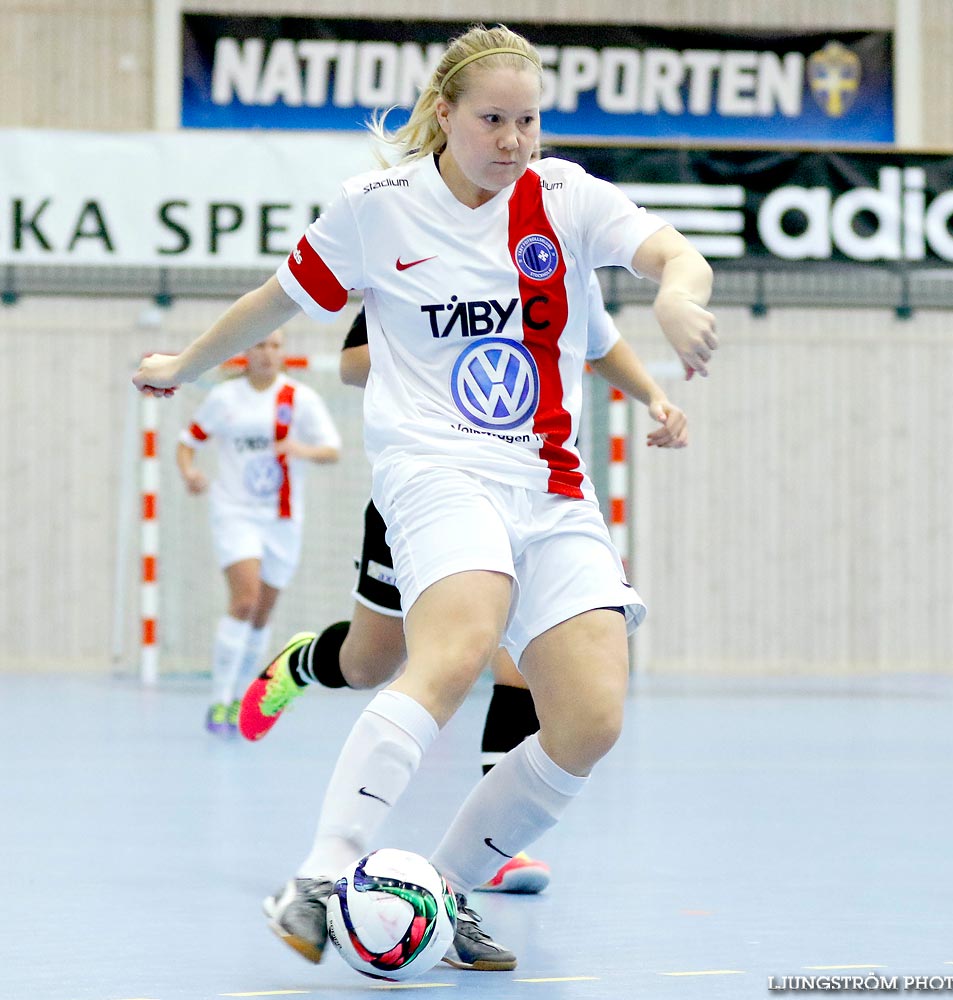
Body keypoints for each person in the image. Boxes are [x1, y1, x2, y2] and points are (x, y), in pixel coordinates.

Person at [134, 23, 716, 972]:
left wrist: (681, 295)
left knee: (591, 720)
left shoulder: (563, 197)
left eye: (528, 121)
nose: (513, 140)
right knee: (440, 651)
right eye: (493, 120)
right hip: (436, 470)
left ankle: (440, 896)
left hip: (551, 485)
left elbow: (669, 253)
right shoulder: (377, 209)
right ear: (444, 114)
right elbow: (279, 297)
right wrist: (187, 366)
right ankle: (321, 876)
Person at [237, 278, 690, 899]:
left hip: (531, 493)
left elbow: (597, 337)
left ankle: (487, 859)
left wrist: (655, 396)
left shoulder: (554, 241)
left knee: (521, 668)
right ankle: (306, 662)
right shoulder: (421, 254)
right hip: (431, 489)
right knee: (370, 664)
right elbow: (350, 364)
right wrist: (446, 348)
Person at [175, 329, 341, 735]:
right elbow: (187, 441)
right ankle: (218, 701)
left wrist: (300, 450)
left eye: (275, 346)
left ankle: (242, 698)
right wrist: (190, 472)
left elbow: (332, 449)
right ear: (245, 351)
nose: (267, 353)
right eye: (259, 345)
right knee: (245, 600)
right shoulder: (224, 399)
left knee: (263, 613)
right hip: (234, 512)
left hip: (282, 519)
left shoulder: (299, 399)